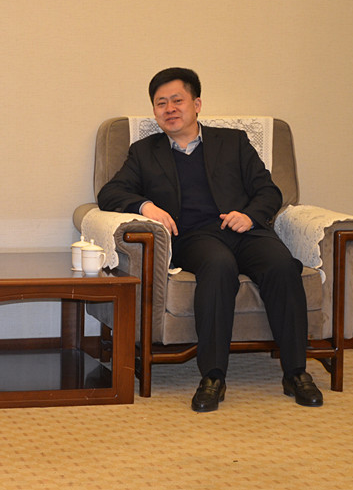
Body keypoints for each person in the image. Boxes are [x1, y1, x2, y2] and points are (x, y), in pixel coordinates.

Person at [97, 67, 323, 412]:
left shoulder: (233, 142)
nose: (169, 109)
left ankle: (296, 373)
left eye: (177, 100)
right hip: (195, 238)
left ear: (197, 104)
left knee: (281, 265)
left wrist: (249, 216)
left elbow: (268, 190)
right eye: (161, 103)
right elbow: (110, 193)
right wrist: (146, 206)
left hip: (245, 230)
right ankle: (213, 376)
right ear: (154, 111)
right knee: (218, 267)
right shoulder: (144, 152)